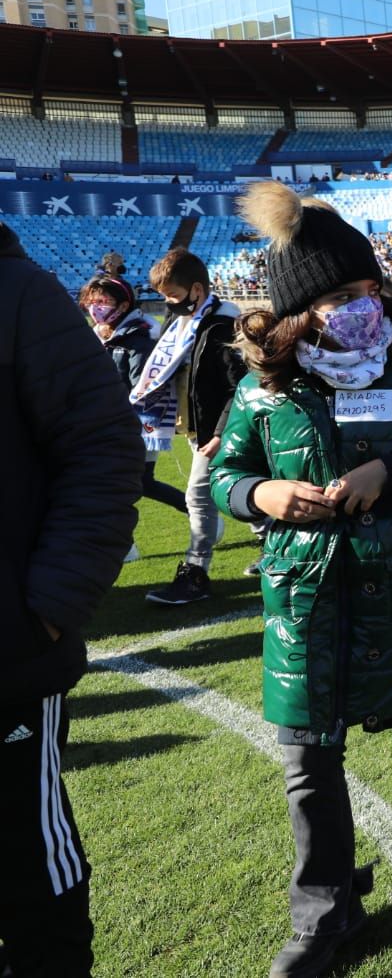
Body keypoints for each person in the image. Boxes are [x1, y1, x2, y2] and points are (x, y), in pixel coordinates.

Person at [215, 182, 392, 976]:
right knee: (307, 760)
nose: (362, 306)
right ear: (300, 309)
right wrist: (262, 494)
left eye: (368, 289)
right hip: (304, 596)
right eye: (341, 296)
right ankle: (326, 910)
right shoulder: (263, 388)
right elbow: (228, 474)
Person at [0, 222, 144, 978]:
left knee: (30, 871)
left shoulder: (19, 293)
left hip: (8, 662)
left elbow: (102, 451)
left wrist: (40, 614)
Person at [134, 248, 249, 604]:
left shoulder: (221, 326)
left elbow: (240, 386)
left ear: (196, 290)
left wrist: (219, 432)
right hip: (195, 428)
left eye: (172, 294)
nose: (168, 302)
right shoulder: (182, 325)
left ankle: (195, 574)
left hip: (216, 431)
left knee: (198, 497)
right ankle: (273, 541)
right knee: (237, 490)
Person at [78, 275, 187, 551]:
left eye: (104, 301)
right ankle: (195, 513)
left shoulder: (139, 340)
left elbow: (142, 388)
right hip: (109, 424)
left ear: (124, 304)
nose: (96, 307)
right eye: (93, 301)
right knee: (137, 484)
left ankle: (127, 545)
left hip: (136, 425)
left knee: (118, 485)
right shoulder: (99, 336)